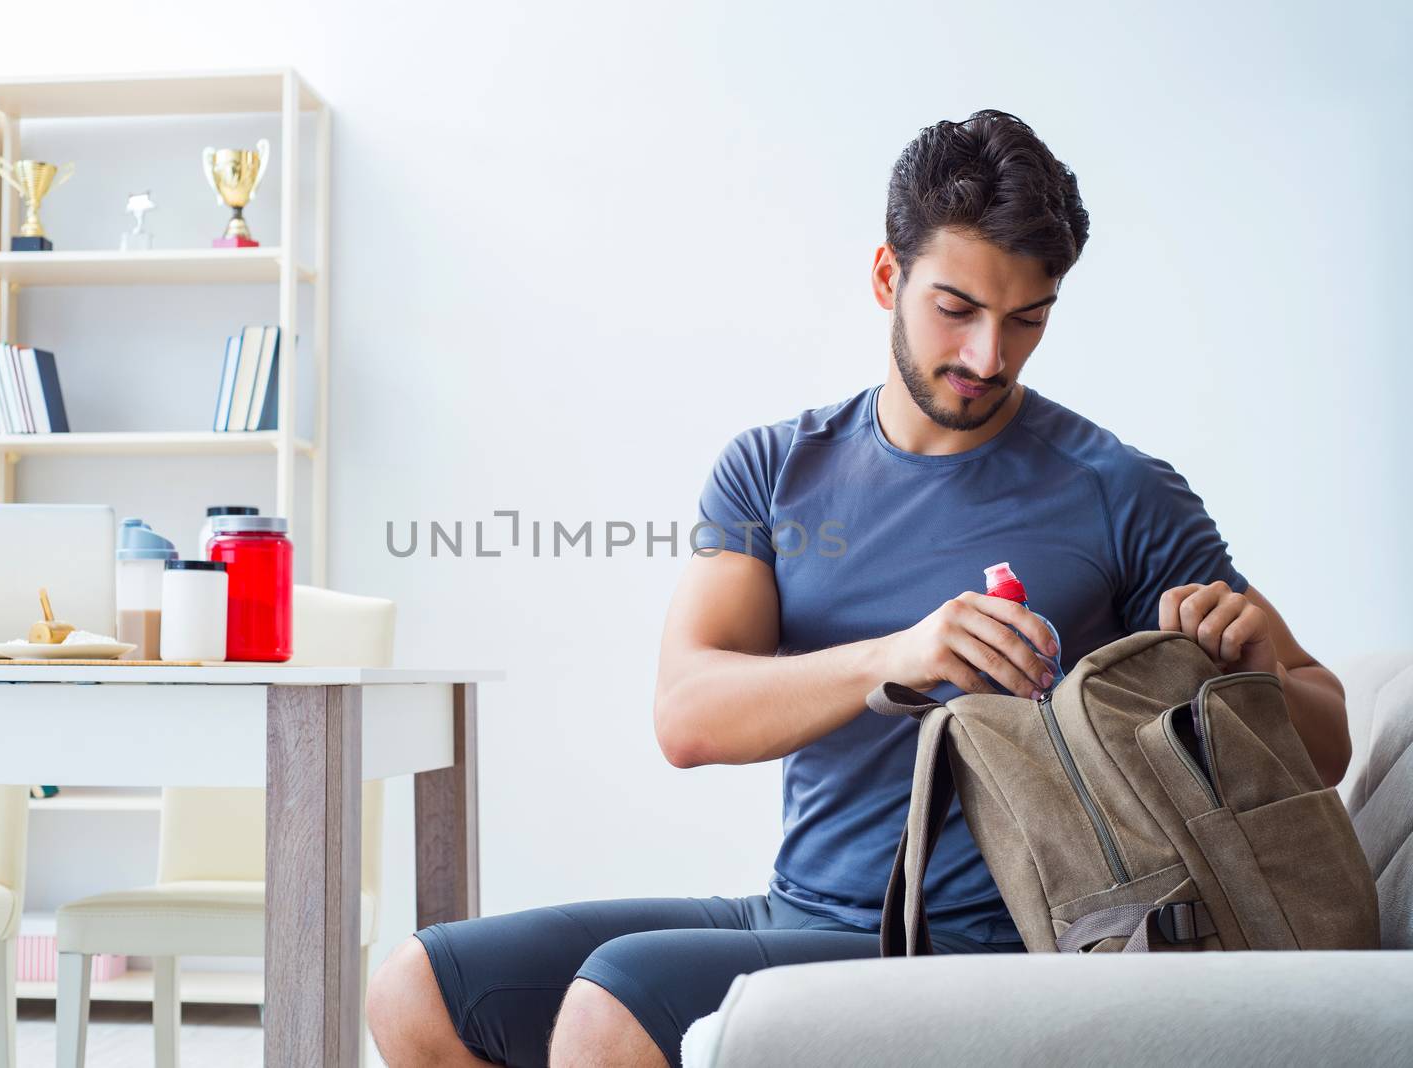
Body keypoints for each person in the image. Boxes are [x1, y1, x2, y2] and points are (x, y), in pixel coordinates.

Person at [366, 108, 1350, 1068]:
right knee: (415, 989)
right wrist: (897, 658)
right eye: (955, 310)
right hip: (797, 908)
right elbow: (688, 717)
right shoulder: (772, 469)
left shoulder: (1117, 490)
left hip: (986, 941)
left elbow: (1329, 738)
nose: (986, 359)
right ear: (888, 276)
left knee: (611, 1007)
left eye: (1025, 321)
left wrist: (1257, 660)